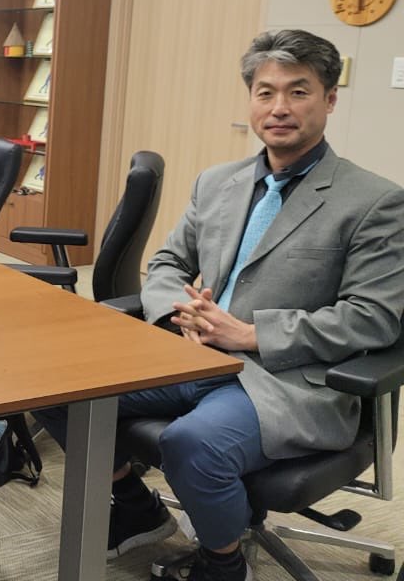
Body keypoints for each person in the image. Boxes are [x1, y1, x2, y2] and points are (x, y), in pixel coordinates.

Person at [34, 29, 404, 581]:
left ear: (329, 99)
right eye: (265, 92)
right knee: (50, 384)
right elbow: (167, 263)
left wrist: (250, 334)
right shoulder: (217, 183)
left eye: (298, 92)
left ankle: (223, 564)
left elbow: (372, 318)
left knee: (192, 444)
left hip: (287, 379)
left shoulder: (374, 201)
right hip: (191, 354)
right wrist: (174, 313)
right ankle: (136, 508)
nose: (279, 107)